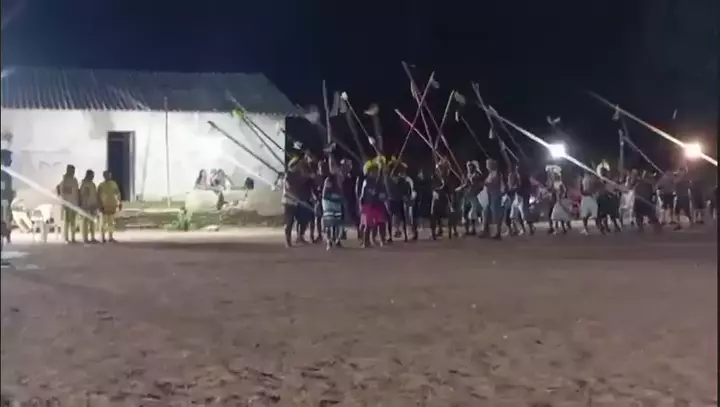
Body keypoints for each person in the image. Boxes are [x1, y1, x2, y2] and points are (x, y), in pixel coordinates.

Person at [282, 157, 310, 247]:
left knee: (302, 219)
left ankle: (300, 237)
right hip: (289, 201)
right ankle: (288, 240)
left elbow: (305, 179)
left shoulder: (298, 174)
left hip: (297, 201)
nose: (299, 167)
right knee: (289, 222)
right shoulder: (288, 176)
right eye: (298, 165)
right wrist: (296, 198)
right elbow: (287, 191)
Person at [359, 160, 387, 247]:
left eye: (376, 171)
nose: (375, 173)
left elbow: (384, 193)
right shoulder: (366, 182)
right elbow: (363, 195)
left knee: (381, 223)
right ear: (368, 172)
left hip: (378, 205)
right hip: (369, 205)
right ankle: (366, 242)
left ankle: (382, 240)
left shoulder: (379, 182)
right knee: (368, 225)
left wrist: (383, 196)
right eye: (372, 171)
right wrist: (362, 206)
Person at [480, 159, 503, 240]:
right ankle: (486, 231)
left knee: (495, 214)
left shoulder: (497, 173)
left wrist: (486, 183)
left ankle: (497, 232)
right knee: (486, 212)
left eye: (488, 164)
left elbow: (495, 183)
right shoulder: (491, 174)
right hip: (490, 195)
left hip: (495, 196)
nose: (487, 166)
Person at [56, 164, 80, 243]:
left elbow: (76, 192)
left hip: (74, 203)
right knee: (67, 222)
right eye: (72, 170)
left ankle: (73, 238)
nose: (73, 172)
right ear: (68, 170)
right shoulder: (64, 181)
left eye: (74, 171)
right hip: (67, 204)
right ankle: (66, 238)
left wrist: (77, 202)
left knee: (73, 222)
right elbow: (62, 192)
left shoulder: (75, 180)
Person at [321, 172, 344, 250]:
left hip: (336, 205)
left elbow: (341, 196)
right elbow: (325, 195)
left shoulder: (339, 183)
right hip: (329, 205)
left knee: (336, 223)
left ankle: (336, 240)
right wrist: (337, 199)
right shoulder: (329, 180)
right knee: (329, 223)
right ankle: (329, 241)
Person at [97, 170, 121, 243]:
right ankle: (103, 237)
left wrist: (119, 203)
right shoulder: (101, 185)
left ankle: (110, 237)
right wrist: (100, 205)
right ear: (104, 176)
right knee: (103, 223)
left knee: (111, 223)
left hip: (112, 206)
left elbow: (118, 194)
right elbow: (98, 196)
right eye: (107, 175)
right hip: (104, 207)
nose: (108, 176)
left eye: (109, 175)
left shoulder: (114, 184)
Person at [79, 169, 99, 243]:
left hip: (93, 206)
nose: (93, 177)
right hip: (86, 206)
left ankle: (93, 238)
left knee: (92, 222)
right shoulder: (83, 184)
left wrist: (96, 204)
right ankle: (85, 238)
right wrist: (83, 204)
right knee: (85, 222)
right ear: (88, 175)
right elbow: (81, 195)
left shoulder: (93, 184)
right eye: (91, 175)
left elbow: (95, 195)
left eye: (93, 176)